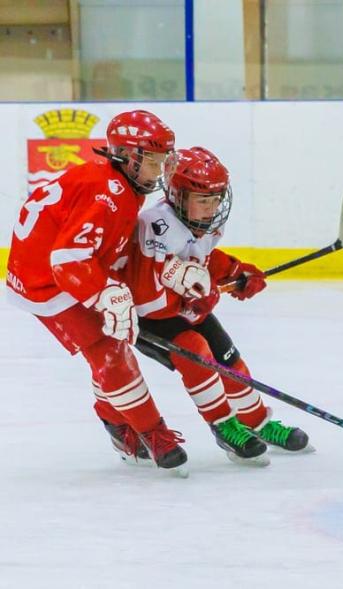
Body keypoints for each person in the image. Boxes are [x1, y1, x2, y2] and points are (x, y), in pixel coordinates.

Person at [6, 110, 188, 473]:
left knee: (117, 339)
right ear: (127, 156)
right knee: (108, 351)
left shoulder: (124, 186)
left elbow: (99, 248)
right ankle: (151, 432)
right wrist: (105, 294)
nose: (160, 168)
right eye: (152, 159)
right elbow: (66, 261)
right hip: (46, 282)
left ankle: (117, 420)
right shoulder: (107, 191)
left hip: (79, 267)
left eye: (164, 159)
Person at [122, 145, 310, 466]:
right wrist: (192, 297)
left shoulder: (205, 224)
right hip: (150, 318)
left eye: (215, 199)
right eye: (202, 200)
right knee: (198, 355)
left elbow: (203, 258)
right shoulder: (156, 227)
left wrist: (237, 271)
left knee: (229, 361)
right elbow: (145, 296)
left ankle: (259, 423)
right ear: (178, 195)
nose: (211, 208)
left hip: (186, 308)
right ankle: (225, 426)